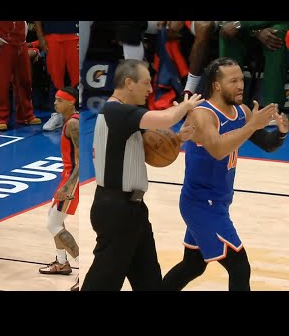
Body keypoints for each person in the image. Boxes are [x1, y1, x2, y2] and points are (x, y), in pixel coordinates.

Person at [162, 57, 287, 291]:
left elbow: (267, 145)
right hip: (200, 203)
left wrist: (280, 132)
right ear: (217, 85)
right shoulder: (203, 114)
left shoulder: (242, 111)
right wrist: (252, 125)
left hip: (219, 202)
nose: (241, 85)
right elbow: (218, 149)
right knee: (239, 266)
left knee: (193, 265)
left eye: (241, 79)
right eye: (233, 81)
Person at [81, 59, 203, 291]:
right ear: (129, 83)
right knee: (103, 282)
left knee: (150, 282)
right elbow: (167, 119)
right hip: (116, 208)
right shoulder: (116, 110)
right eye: (146, 83)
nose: (150, 89)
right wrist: (187, 105)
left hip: (132, 208)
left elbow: (146, 146)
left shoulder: (123, 117)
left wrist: (178, 139)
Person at [38, 87, 80, 291]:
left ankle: (85, 268)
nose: (55, 103)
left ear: (71, 103)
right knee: (54, 219)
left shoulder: (73, 123)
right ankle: (62, 263)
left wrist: (68, 186)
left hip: (71, 181)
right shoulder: (69, 121)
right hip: (67, 178)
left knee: (53, 224)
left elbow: (81, 162)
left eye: (59, 100)